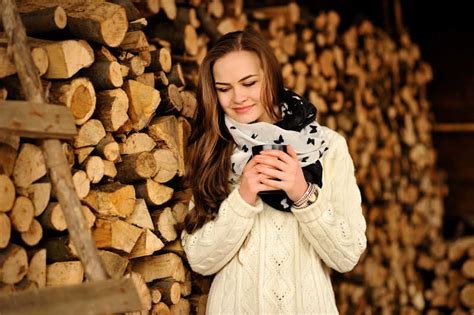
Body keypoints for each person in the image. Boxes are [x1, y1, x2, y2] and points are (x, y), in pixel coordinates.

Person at [181, 28, 367, 314]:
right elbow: (200, 260)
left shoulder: (327, 147)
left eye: (249, 82)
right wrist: (242, 199)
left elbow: (347, 255)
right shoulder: (215, 149)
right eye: (224, 88)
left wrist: (303, 194)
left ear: (270, 76)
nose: (238, 97)